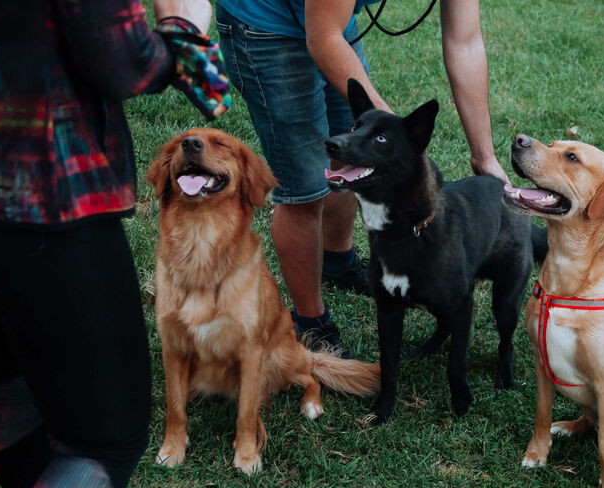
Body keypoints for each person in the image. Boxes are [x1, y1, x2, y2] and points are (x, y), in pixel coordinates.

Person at [0, 1, 225, 488]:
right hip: (38, 185)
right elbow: (118, 58)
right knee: (103, 443)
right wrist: (182, 26)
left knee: (2, 388)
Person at [215, 0, 508, 356]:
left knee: (352, 156)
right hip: (267, 25)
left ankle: (337, 261)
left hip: (333, 22)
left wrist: (485, 156)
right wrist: (393, 140)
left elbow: (465, 42)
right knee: (305, 186)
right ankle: (311, 323)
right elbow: (322, 37)